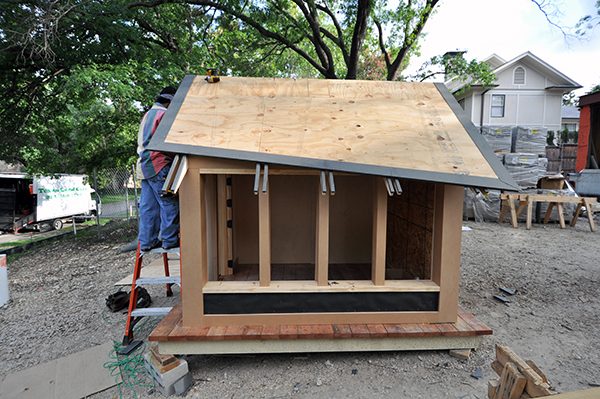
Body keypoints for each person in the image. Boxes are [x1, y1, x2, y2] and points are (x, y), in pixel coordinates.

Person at [136, 86, 179, 251]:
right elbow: (164, 143)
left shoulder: (148, 114)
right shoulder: (163, 115)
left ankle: (147, 242)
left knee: (148, 206)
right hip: (157, 163)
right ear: (169, 102)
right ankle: (169, 240)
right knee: (169, 202)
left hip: (145, 165)